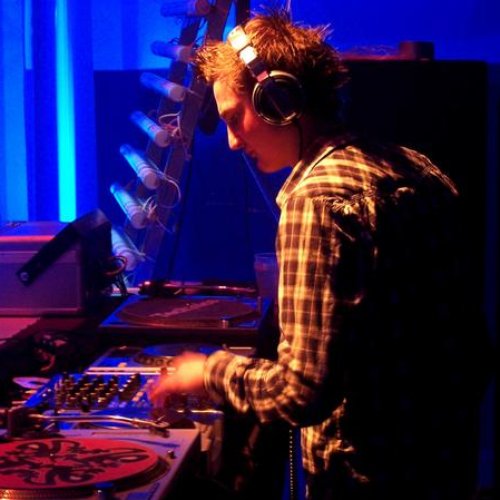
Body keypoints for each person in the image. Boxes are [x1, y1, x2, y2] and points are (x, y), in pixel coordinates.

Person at [151, 9, 491, 500]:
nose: (232, 141)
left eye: (234, 118)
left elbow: (299, 392)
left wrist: (206, 371)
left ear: (277, 101)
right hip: (444, 469)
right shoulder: (419, 169)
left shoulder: (317, 201)